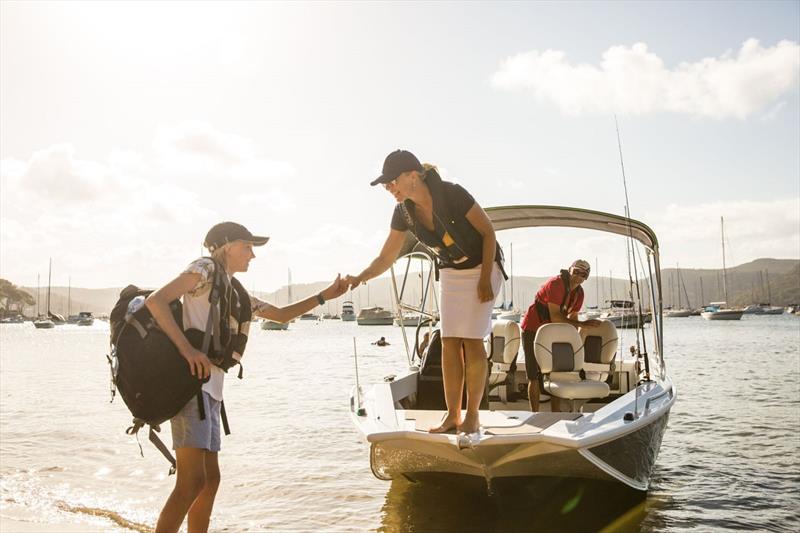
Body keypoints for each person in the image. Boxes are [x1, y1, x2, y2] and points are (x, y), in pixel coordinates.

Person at [147, 221, 346, 533]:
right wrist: (188, 350)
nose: (252, 255)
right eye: (247, 246)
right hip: (190, 388)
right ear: (226, 245)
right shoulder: (204, 270)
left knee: (210, 480)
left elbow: (280, 315)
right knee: (192, 481)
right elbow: (155, 301)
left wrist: (325, 296)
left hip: (211, 392)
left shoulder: (234, 291)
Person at [345, 150, 505, 435]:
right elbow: (386, 258)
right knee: (449, 342)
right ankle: (452, 416)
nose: (389, 189)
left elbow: (488, 233)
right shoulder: (403, 212)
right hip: (451, 272)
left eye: (392, 182)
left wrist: (484, 279)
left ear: (413, 175)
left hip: (484, 264)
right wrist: (360, 277)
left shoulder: (452, 194)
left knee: (471, 341)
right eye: (385, 185)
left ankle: (472, 416)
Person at [520, 259, 602, 412]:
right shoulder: (556, 284)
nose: (578, 276)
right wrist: (583, 325)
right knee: (533, 374)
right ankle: (535, 413)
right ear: (569, 270)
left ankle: (556, 413)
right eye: (576, 271)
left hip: (553, 331)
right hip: (532, 328)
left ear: (586, 277)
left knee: (557, 373)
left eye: (583, 274)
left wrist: (576, 341)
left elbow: (573, 317)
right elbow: (556, 316)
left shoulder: (579, 293)